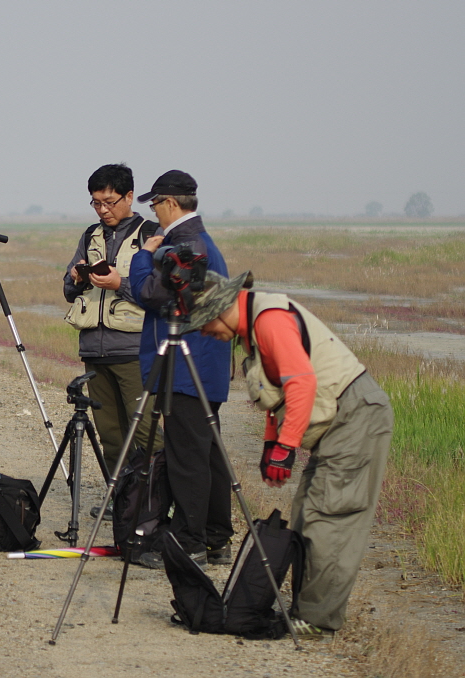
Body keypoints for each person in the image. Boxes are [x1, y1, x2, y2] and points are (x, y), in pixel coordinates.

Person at [186, 271, 392, 639]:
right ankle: (306, 611)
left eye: (204, 323)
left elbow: (301, 382)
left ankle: (316, 620)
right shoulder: (253, 329)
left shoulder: (270, 320)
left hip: (356, 418)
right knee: (306, 514)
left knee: (328, 518)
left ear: (223, 308)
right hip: (338, 424)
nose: (204, 332)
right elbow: (277, 391)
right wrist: (272, 442)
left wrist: (286, 446)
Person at [128, 170, 233, 568]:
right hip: (204, 365)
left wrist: (143, 255)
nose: (154, 213)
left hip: (187, 368)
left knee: (187, 459)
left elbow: (150, 293)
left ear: (170, 203)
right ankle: (215, 538)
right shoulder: (201, 241)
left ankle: (189, 543)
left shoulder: (186, 245)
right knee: (208, 456)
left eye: (155, 204)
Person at [63, 163, 160, 520]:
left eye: (109, 201)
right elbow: (68, 290)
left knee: (147, 433)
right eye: (96, 203)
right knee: (111, 435)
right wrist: (77, 278)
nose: (102, 210)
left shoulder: (151, 234)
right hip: (95, 351)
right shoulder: (90, 235)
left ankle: (154, 505)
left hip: (136, 352)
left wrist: (120, 283)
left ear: (129, 196)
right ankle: (122, 502)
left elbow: (159, 293)